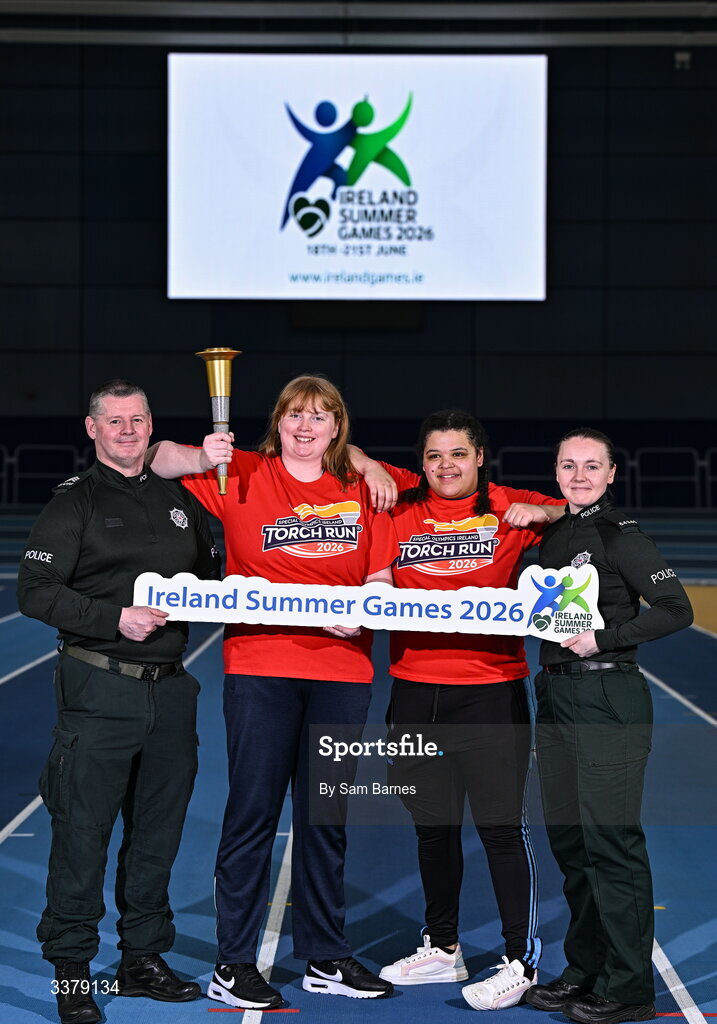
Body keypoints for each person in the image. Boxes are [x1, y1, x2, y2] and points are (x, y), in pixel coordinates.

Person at [148, 374, 398, 1009]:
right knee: (253, 814)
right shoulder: (243, 474)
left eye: (320, 417)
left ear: (337, 427)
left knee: (326, 820)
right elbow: (152, 456)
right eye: (295, 415)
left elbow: (384, 575)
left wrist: (367, 607)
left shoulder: (362, 487)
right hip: (261, 666)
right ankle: (234, 963)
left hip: (343, 672)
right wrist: (205, 455)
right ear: (278, 422)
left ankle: (325, 957)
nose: (306, 426)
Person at [17, 380, 221, 1024]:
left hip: (173, 692)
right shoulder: (73, 504)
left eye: (138, 420)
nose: (127, 431)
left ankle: (142, 958)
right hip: (99, 687)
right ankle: (74, 974)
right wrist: (114, 618)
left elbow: (217, 582)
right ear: (92, 429)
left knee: (157, 838)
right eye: (115, 421)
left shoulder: (179, 499)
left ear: (151, 425)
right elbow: (34, 589)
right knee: (83, 834)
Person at [348, 409, 565, 1011]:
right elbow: (344, 452)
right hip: (414, 693)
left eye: (458, 455)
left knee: (500, 829)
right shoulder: (400, 504)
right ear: (421, 462)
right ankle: (443, 948)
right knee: (432, 829)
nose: (446, 466)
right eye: (435, 456)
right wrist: (367, 464)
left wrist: (545, 512)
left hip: (491, 692)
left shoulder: (509, 506)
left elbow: (582, 506)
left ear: (480, 459)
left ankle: (520, 961)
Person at [526, 428, 693, 1024]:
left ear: (612, 473)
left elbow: (678, 610)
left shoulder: (621, 536)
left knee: (611, 845)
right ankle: (585, 969)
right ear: (556, 471)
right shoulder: (554, 535)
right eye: (568, 465)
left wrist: (606, 638)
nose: (579, 475)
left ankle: (628, 989)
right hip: (555, 693)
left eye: (591, 466)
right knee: (572, 844)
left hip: (607, 694)